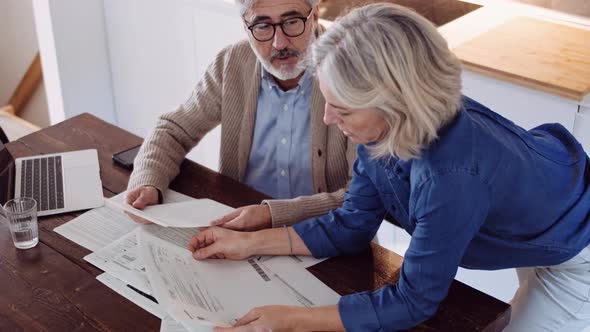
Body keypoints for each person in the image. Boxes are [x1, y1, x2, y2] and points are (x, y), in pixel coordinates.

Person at [187, 3, 590, 331]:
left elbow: (414, 301)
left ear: (393, 105)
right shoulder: (382, 131)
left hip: (576, 250)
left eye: (341, 108)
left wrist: (292, 320)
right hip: (533, 206)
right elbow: (351, 224)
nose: (327, 119)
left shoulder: (450, 177)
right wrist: (250, 243)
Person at [125, 0, 355, 230]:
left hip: (327, 237)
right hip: (239, 228)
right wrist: (148, 180)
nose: (279, 43)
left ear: (314, 16)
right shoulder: (232, 62)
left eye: (292, 22)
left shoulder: (354, 71)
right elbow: (174, 130)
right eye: (263, 26)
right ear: (245, 27)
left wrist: (271, 215)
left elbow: (362, 197)